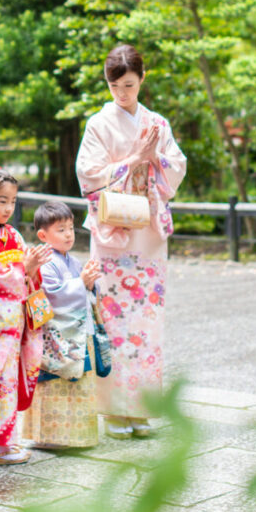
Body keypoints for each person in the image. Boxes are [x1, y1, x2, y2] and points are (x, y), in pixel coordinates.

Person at [75, 44, 187, 439]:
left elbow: (177, 166)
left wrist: (154, 158)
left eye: (128, 85)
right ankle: (113, 412)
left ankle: (141, 408)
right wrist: (134, 158)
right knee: (112, 318)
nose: (121, 94)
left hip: (148, 234)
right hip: (113, 234)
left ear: (142, 80)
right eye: (114, 86)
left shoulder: (156, 122)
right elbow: (88, 176)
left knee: (147, 321)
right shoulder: (97, 124)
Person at [0, 165, 51, 465]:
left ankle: (2, 444)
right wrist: (24, 270)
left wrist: (32, 270)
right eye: (2, 201)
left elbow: (27, 277)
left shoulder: (13, 234)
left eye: (13, 201)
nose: (9, 208)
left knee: (10, 384)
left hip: (12, 325)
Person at [22, 200, 106, 450]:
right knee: (55, 385)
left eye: (70, 228)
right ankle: (51, 436)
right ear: (42, 235)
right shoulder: (47, 262)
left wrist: (90, 284)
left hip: (77, 334)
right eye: (61, 229)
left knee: (79, 385)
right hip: (57, 338)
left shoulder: (73, 261)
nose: (68, 234)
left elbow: (82, 292)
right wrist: (81, 283)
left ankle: (77, 437)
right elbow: (53, 296)